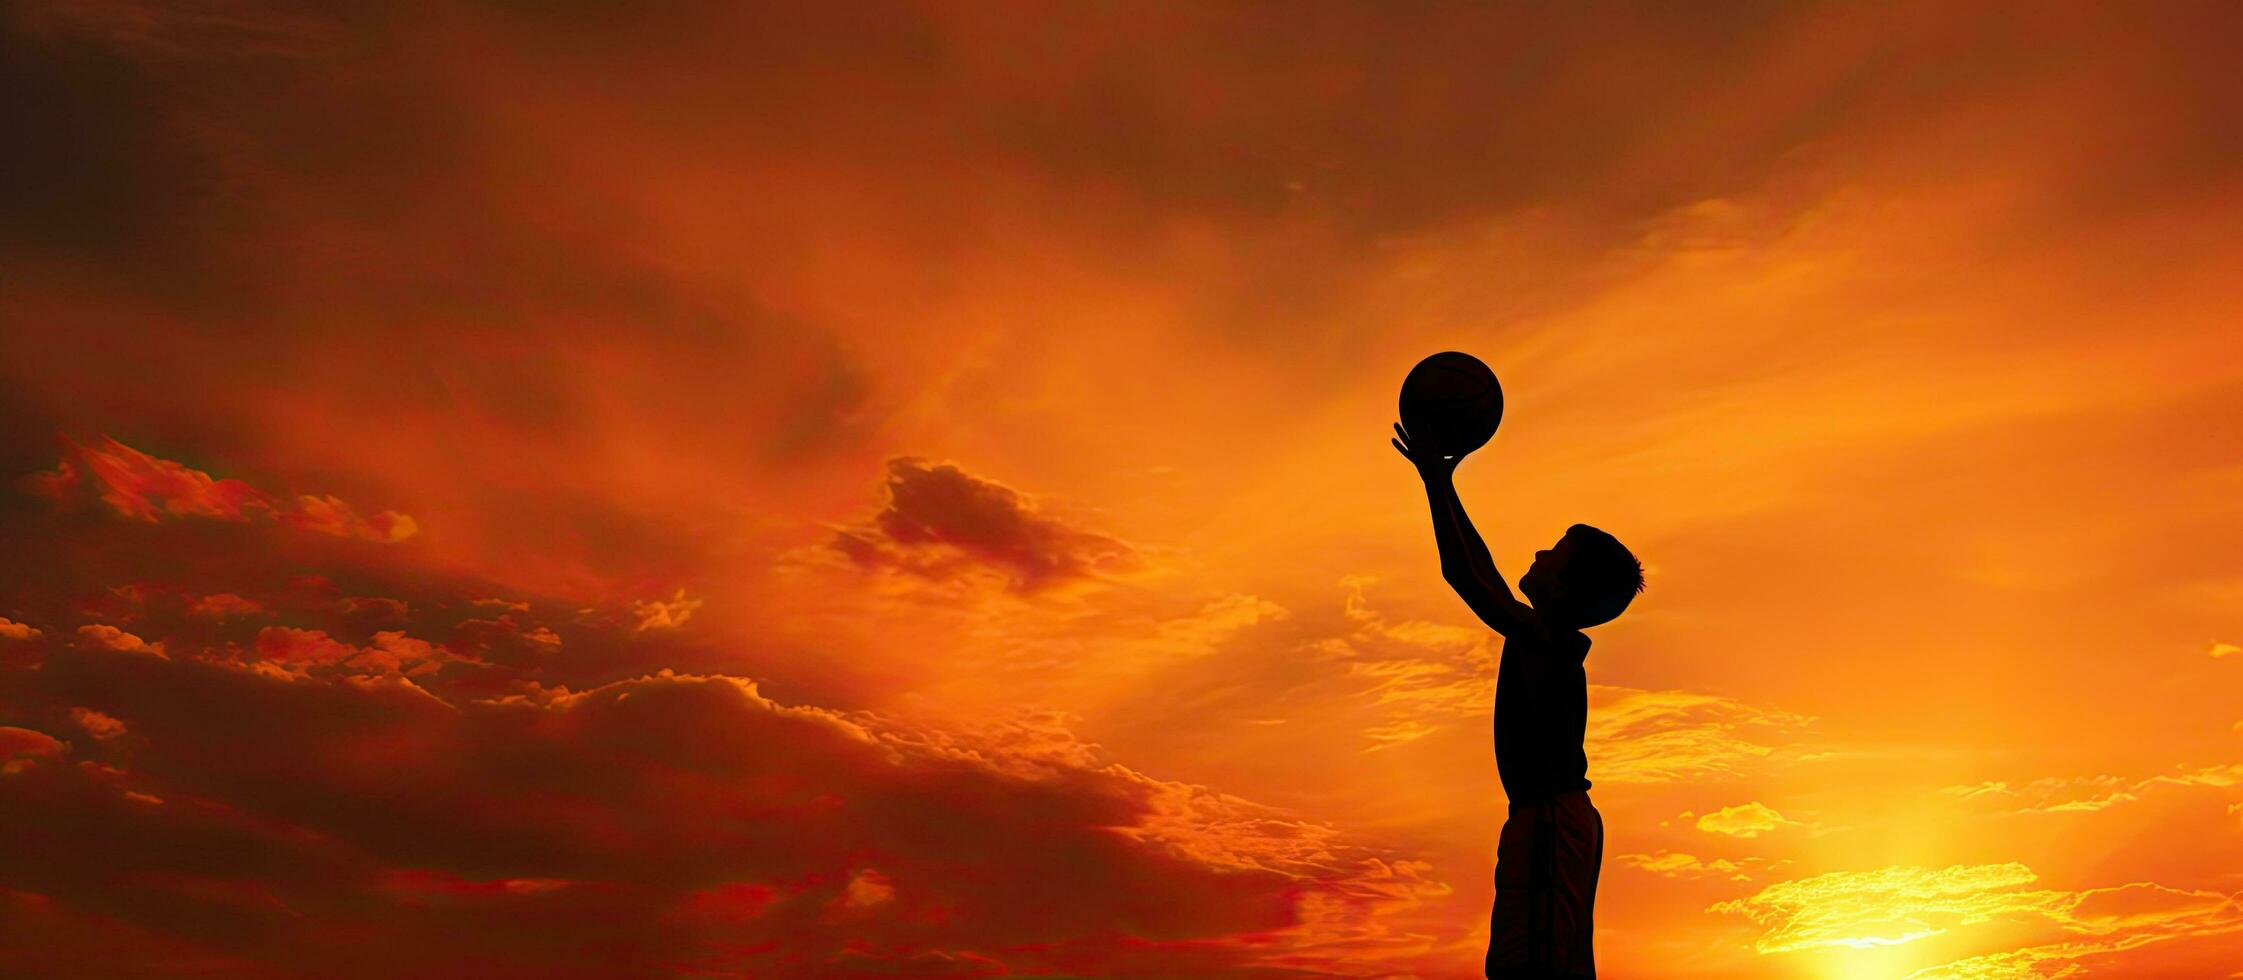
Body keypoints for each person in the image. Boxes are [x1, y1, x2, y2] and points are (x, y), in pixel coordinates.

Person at [1390, 421, 1644, 979]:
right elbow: (1482, 574)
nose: (1537, 549)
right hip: (1555, 818)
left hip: (1551, 819)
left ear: (1558, 589)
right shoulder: (1541, 634)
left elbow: (1465, 573)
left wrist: (1436, 483)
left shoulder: (1544, 641)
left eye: (1554, 552)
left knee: (1529, 965)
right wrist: (1442, 484)